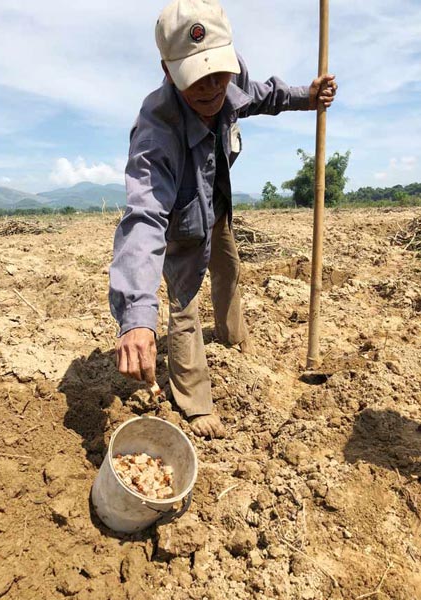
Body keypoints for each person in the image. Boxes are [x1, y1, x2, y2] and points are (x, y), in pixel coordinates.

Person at [110, 0, 337, 438]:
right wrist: (137, 316)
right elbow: (143, 219)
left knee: (229, 269)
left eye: (220, 71)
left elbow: (263, 94)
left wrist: (307, 98)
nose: (214, 86)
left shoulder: (229, 78)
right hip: (180, 222)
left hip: (216, 202)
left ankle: (234, 338)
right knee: (185, 302)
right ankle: (194, 401)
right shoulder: (156, 132)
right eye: (198, 77)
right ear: (168, 68)